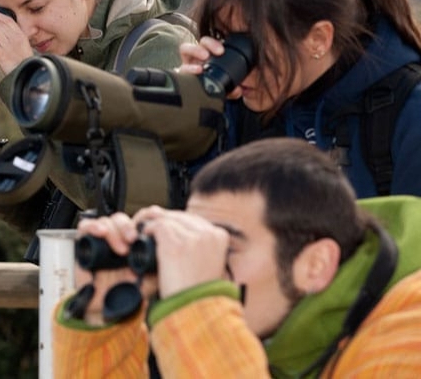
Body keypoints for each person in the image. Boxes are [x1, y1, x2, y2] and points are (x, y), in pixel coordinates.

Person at [53, 138, 421, 377]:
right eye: (197, 239)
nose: (204, 260)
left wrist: (197, 308)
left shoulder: (408, 334)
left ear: (316, 265)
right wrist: (101, 326)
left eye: (225, 247)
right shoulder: (275, 326)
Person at [0, 0, 196, 235]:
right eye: (12, 16)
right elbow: (73, 206)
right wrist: (5, 191)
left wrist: (28, 85)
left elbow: (122, 199)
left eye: (35, 8)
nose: (27, 31)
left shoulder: (159, 49)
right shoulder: (68, 57)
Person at [179, 0, 421, 198]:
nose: (242, 67)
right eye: (224, 38)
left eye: (253, 44)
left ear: (318, 38)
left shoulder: (406, 116)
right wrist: (194, 117)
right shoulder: (238, 108)